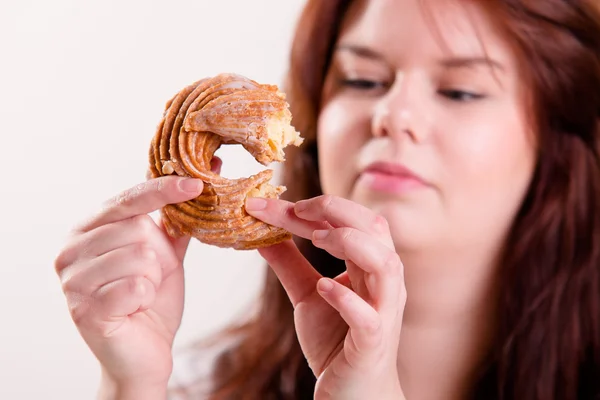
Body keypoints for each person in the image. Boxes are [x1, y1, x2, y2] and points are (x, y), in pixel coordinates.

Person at [54, 0, 600, 399]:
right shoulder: (201, 386)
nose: (393, 114)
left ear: (554, 141)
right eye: (362, 80)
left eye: (460, 91)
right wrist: (132, 385)